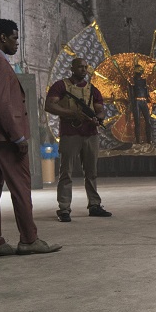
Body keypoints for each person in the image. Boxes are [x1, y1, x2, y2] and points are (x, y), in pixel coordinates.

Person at [0, 19, 61, 258]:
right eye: (14, 38)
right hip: (5, 139)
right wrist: (18, 136)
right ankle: (29, 239)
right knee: (20, 189)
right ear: (2, 38)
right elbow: (1, 103)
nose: (17, 43)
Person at [44, 57, 111, 222]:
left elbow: (100, 110)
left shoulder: (92, 89)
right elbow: (49, 105)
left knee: (91, 172)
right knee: (66, 172)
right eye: (80, 66)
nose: (83, 69)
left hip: (90, 134)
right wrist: (72, 113)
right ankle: (64, 208)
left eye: (85, 67)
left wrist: (98, 118)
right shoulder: (61, 86)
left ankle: (94, 204)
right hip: (70, 134)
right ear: (72, 68)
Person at [128, 63, 152, 144]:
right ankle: (138, 141)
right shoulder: (132, 81)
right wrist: (132, 104)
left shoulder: (144, 81)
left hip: (144, 101)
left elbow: (147, 92)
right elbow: (131, 94)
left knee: (148, 121)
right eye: (139, 71)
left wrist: (149, 99)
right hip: (136, 102)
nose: (140, 73)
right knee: (137, 122)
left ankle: (149, 140)